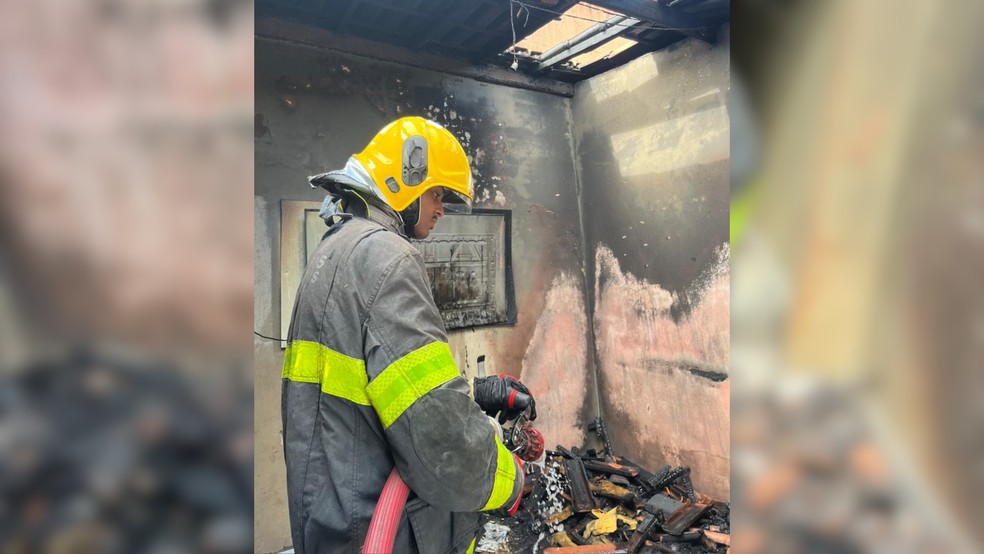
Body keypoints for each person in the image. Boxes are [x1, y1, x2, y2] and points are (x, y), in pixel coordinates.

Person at [282, 117, 536, 553]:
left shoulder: (336, 249)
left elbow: (374, 388)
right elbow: (438, 437)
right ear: (406, 180)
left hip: (333, 519)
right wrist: (510, 479)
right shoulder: (388, 257)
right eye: (437, 194)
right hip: (383, 531)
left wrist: (476, 391)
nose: (441, 209)